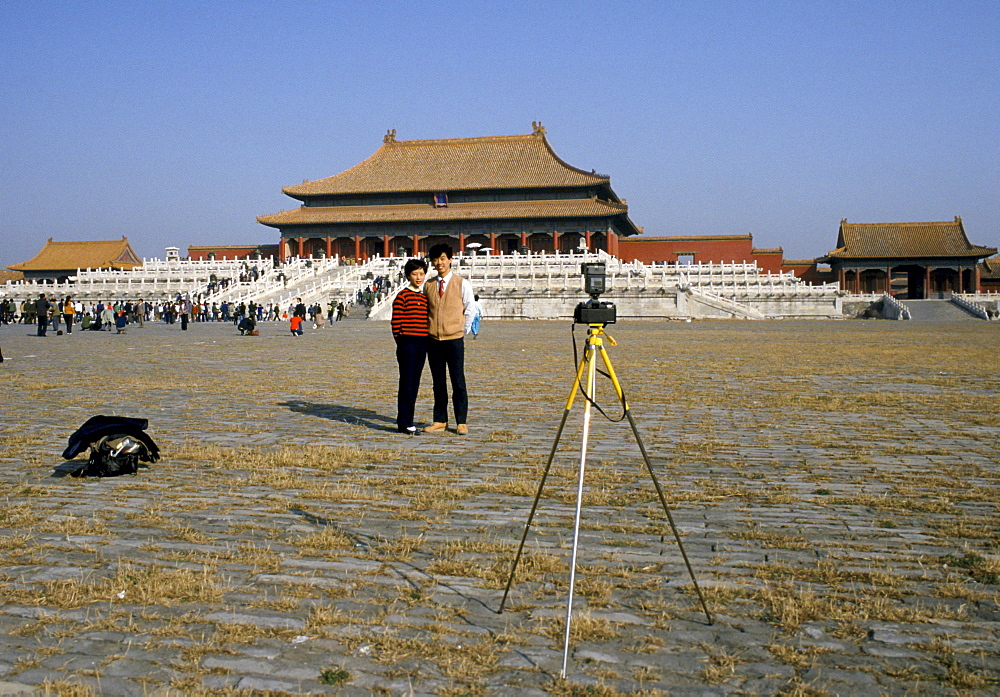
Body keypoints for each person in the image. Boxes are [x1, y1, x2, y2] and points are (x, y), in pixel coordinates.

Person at [423, 244, 476, 435]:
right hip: (433, 340)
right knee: (438, 382)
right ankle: (440, 419)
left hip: (454, 339)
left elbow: (470, 308)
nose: (439, 263)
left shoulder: (461, 283)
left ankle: (461, 421)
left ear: (450, 259)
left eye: (443, 258)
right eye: (436, 259)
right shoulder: (428, 285)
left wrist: (462, 330)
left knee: (458, 380)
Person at [391, 258, 430, 435]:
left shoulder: (424, 296)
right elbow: (396, 323)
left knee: (414, 382)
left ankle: (408, 419)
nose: (418, 277)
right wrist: (402, 342)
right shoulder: (402, 296)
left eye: (421, 273)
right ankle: (404, 422)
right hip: (407, 343)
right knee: (406, 382)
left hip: (422, 343)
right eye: (415, 274)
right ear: (408, 275)